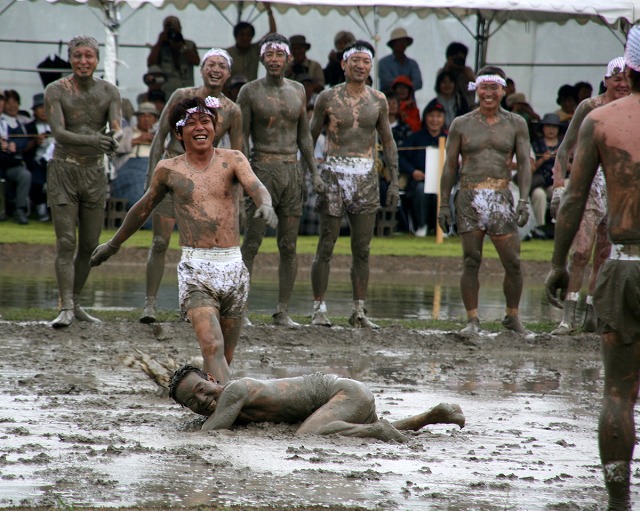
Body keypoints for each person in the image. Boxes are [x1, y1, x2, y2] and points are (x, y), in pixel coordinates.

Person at [90, 96, 277, 384]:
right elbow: (142, 208)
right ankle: (235, 405)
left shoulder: (233, 159)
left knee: (224, 356)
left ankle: (205, 390)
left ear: (215, 128)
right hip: (196, 269)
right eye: (191, 123)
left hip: (233, 268)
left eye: (205, 121)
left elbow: (257, 186)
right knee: (212, 347)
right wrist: (112, 245)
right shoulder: (169, 169)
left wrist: (265, 204)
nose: (200, 127)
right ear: (178, 133)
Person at [544, 25, 640, 511]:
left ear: (629, 69)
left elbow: (574, 199)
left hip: (624, 263)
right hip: (624, 262)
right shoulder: (594, 117)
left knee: (618, 391)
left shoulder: (603, 121)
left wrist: (558, 264)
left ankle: (618, 499)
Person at [140, 48, 242, 324]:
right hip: (171, 170)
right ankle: (149, 305)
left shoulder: (232, 110)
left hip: (204, 180)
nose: (216, 69)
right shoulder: (181, 96)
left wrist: (235, 195)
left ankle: (198, 305)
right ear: (202, 69)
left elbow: (237, 156)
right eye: (211, 64)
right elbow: (159, 137)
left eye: (222, 65)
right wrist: (152, 178)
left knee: (202, 246)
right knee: (160, 242)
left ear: (229, 73)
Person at [309, 40, 399, 329]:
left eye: (366, 61)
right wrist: (311, 172)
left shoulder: (378, 100)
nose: (361, 66)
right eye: (355, 60)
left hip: (366, 175)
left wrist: (394, 181)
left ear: (371, 66)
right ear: (344, 64)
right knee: (326, 244)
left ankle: (359, 310)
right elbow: (309, 138)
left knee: (363, 248)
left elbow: (387, 141)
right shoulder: (328, 98)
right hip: (334, 172)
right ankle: (318, 308)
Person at [238, 34, 324, 328]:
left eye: (280, 54)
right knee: (252, 242)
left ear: (288, 59)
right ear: (262, 59)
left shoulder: (299, 90)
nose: (274, 59)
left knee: (289, 245)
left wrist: (313, 171)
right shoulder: (249, 92)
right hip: (262, 168)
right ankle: (240, 308)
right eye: (269, 54)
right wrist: (244, 177)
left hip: (292, 170)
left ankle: (282, 311)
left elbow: (304, 136)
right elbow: (241, 139)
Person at [438, 66, 531, 335]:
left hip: (501, 194)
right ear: (476, 90)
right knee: (471, 259)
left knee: (512, 261)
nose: (489, 93)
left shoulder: (516, 123)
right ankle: (472, 320)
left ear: (503, 90)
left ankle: (512, 317)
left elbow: (525, 164)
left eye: (494, 88)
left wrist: (524, 200)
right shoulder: (461, 124)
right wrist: (444, 204)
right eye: (484, 88)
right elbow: (449, 167)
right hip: (469, 194)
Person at [548, 56, 630, 335]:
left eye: (625, 77)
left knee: (604, 256)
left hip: (618, 190)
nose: (621, 83)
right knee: (581, 251)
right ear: (606, 80)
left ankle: (592, 316)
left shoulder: (635, 108)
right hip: (589, 187)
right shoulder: (590, 107)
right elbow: (564, 149)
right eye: (615, 78)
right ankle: (567, 318)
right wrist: (559, 188)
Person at [43, 35, 122, 327]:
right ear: (70, 58)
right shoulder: (56, 90)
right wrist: (94, 139)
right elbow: (58, 133)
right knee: (66, 242)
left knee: (89, 244)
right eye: (78, 56)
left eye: (88, 56)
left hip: (93, 172)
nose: (83, 62)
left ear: (97, 59)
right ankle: (64, 306)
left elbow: (117, 128)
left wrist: (115, 139)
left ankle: (75, 302)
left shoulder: (109, 91)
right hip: (64, 168)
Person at [169, 364, 465, 441]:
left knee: (308, 435)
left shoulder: (234, 390)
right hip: (340, 398)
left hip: (344, 392)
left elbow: (212, 432)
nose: (203, 399)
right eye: (192, 401)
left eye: (202, 388)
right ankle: (431, 415)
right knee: (333, 428)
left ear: (211, 377)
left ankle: (380, 431)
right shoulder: (228, 403)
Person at [399, 99, 448, 237]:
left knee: (447, 191)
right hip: (420, 180)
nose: (435, 120)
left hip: (444, 180)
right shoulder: (416, 138)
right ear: (425, 117)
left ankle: (443, 226)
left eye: (438, 116)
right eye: (431, 116)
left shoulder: (450, 138)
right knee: (420, 190)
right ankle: (421, 226)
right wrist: (413, 171)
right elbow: (400, 156)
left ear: (443, 119)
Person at [110, 101, 159, 229]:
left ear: (155, 119)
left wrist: (155, 142)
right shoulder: (128, 132)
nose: (146, 119)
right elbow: (116, 148)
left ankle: (157, 224)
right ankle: (142, 222)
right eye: (143, 116)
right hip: (130, 171)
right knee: (138, 192)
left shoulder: (161, 136)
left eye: (150, 117)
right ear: (137, 118)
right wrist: (138, 140)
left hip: (155, 170)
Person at [529, 112, 565, 239]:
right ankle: (540, 229)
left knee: (561, 193)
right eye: (548, 126)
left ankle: (561, 229)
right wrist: (543, 159)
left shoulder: (564, 144)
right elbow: (530, 168)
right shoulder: (535, 144)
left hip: (556, 182)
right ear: (543, 128)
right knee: (539, 195)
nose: (551, 129)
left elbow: (573, 166)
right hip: (539, 181)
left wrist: (560, 161)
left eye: (554, 127)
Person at [146, 16, 200, 99]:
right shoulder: (160, 48)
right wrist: (159, 42)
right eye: (168, 27)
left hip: (186, 91)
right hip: (167, 92)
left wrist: (182, 47)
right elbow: (150, 63)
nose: (171, 31)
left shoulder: (189, 45)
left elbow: (196, 61)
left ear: (180, 28)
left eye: (174, 27)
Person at [0, 89, 32, 225]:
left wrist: (14, 144)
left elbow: (23, 139)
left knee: (25, 175)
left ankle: (19, 209)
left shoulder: (12, 122)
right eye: (8, 102)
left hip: (10, 164)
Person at [225, 3, 277, 84]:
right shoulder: (228, 53)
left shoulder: (256, 49)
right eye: (242, 35)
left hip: (251, 92)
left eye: (248, 35)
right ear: (236, 36)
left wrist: (269, 11)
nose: (245, 38)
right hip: (231, 93)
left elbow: (273, 33)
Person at [24, 92, 54, 222]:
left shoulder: (58, 127)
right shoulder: (28, 127)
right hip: (36, 162)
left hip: (56, 162)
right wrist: (34, 142)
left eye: (46, 107)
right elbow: (23, 148)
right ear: (35, 111)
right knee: (36, 178)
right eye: (40, 107)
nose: (44, 111)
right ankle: (41, 210)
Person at [378, 27, 422, 94]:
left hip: (409, 103)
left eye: (404, 42)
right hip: (389, 101)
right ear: (393, 44)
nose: (402, 44)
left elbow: (418, 83)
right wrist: (407, 83)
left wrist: (399, 84)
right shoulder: (383, 63)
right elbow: (386, 83)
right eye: (399, 42)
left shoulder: (413, 63)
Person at [439, 42, 476, 110]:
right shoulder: (443, 71)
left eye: (461, 59)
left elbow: (474, 88)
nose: (458, 62)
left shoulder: (467, 71)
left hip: (468, 108)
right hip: (448, 108)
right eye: (456, 59)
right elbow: (439, 89)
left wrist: (466, 74)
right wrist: (447, 70)